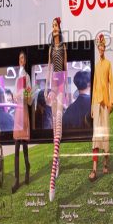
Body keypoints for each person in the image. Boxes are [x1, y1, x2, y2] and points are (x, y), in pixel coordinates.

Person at [47, 17, 68, 202]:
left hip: (61, 83)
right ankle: (58, 161)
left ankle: (52, 180)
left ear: (59, 28)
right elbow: (49, 68)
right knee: (55, 127)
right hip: (53, 83)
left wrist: (66, 91)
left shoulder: (62, 47)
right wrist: (47, 88)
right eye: (52, 26)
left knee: (58, 127)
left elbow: (65, 69)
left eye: (56, 26)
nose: (54, 29)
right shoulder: (51, 49)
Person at [89, 34, 113, 182]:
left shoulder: (108, 64)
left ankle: (105, 164)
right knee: (96, 136)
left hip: (105, 104)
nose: (101, 49)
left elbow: (111, 83)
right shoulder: (97, 66)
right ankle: (94, 168)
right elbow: (94, 86)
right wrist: (92, 107)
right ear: (97, 48)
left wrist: (112, 102)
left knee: (105, 133)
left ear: (105, 48)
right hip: (96, 104)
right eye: (99, 46)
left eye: (102, 46)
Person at [12, 51, 31, 192]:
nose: (21, 60)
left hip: (23, 111)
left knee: (23, 145)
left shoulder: (27, 76)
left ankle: (27, 171)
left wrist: (22, 94)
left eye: (23, 58)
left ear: (25, 61)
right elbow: (14, 95)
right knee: (17, 146)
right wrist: (15, 96)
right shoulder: (16, 78)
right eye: (19, 58)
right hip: (17, 112)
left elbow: (29, 96)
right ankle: (17, 179)